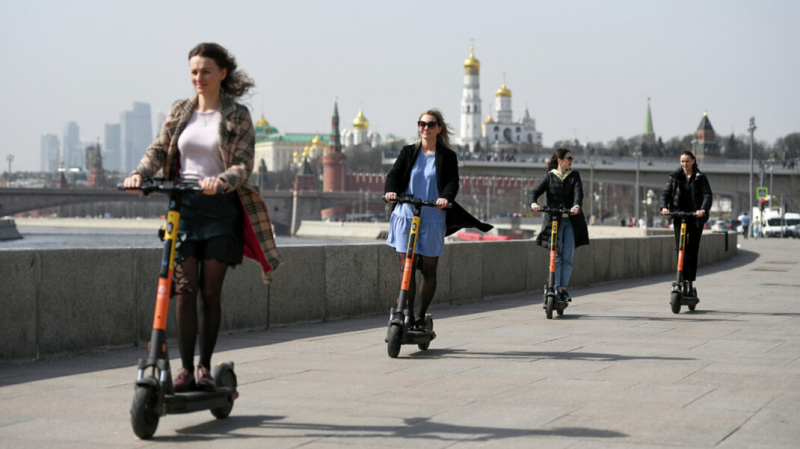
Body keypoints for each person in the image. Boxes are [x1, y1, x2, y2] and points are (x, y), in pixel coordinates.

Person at [123, 43, 282, 392]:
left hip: (219, 209)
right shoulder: (181, 110)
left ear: (222, 73)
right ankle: (184, 371)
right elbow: (159, 149)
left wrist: (222, 180)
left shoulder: (236, 114)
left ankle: (205, 367)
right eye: (194, 71)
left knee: (209, 293)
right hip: (185, 209)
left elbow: (243, 163)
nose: (199, 78)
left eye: (206, 71)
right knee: (183, 291)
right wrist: (138, 173)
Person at [384, 109, 490, 328]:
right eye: (421, 124)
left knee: (430, 268)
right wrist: (391, 191)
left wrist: (445, 198)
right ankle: (407, 315)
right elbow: (394, 174)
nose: (425, 128)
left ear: (439, 128)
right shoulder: (408, 152)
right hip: (406, 214)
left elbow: (452, 181)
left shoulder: (447, 156)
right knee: (408, 267)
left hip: (433, 215)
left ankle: (421, 315)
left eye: (430, 124)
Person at [529, 148, 590, 302]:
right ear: (560, 160)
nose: (571, 160)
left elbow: (578, 194)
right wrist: (534, 203)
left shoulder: (574, 176)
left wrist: (576, 206)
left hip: (570, 220)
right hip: (553, 221)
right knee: (555, 255)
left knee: (568, 255)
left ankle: (562, 289)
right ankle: (554, 287)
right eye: (569, 158)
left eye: (572, 158)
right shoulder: (549, 177)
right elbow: (534, 192)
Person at [659, 150, 712, 296]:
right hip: (679, 215)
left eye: (687, 161)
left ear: (693, 161)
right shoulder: (675, 177)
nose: (684, 164)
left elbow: (707, 195)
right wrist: (664, 207)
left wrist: (703, 209)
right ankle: (680, 277)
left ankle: (689, 281)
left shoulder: (700, 177)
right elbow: (665, 193)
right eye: (682, 161)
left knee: (692, 249)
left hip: (695, 217)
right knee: (680, 247)